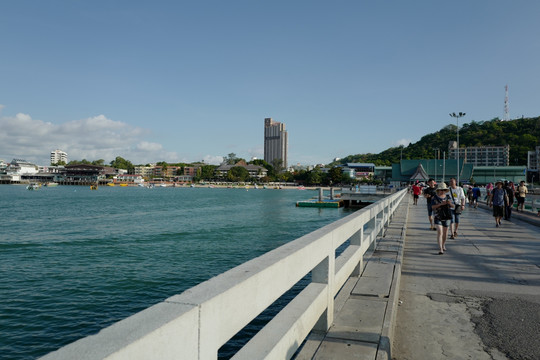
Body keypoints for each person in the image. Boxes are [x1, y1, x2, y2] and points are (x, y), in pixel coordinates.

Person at [431, 182, 452, 254]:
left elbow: (453, 206)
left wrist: (449, 203)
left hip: (446, 216)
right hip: (438, 216)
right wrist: (440, 204)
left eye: (444, 190)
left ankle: (443, 245)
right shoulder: (434, 197)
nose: (442, 191)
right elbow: (432, 207)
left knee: (445, 233)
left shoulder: (448, 197)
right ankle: (440, 249)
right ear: (438, 190)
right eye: (441, 189)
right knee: (440, 232)